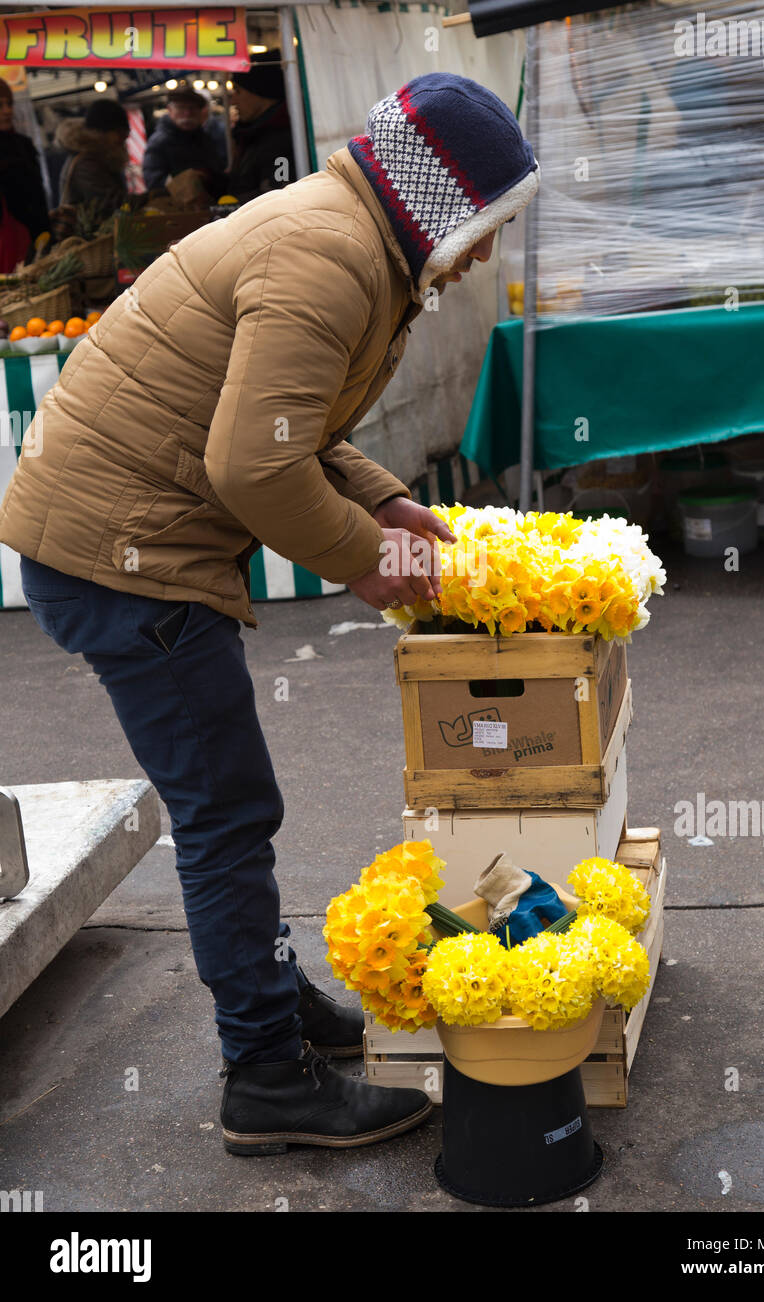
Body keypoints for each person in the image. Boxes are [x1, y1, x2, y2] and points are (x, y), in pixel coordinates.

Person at [0, 73, 539, 1157]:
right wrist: (369, 562)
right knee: (227, 814)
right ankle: (263, 1077)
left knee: (231, 805)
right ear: (434, 203)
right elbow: (251, 466)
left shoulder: (345, 234)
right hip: (124, 555)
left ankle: (275, 1008)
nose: (482, 255)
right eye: (480, 228)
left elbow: (290, 421)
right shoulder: (329, 257)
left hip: (117, 534)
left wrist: (386, 498)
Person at [214, 47, 296, 201]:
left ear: (261, 92)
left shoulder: (281, 142)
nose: (233, 101)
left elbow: (280, 194)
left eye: (238, 91)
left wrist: (234, 205)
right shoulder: (254, 134)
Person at [0, 78, 52, 272]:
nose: (7, 111)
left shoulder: (23, 145)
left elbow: (37, 196)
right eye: (0, 105)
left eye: (9, 104)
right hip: (8, 245)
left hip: (34, 237)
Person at [55, 97, 129, 217]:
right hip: (89, 234)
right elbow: (108, 202)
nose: (124, 139)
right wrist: (147, 198)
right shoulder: (86, 163)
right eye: (120, 133)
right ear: (102, 132)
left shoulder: (100, 157)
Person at [142, 86, 227, 191]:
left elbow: (219, 173)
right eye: (181, 107)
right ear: (170, 110)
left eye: (192, 108)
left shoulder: (205, 139)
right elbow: (153, 181)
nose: (187, 113)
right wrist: (186, 180)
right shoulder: (159, 142)